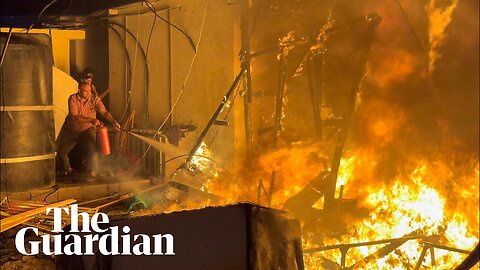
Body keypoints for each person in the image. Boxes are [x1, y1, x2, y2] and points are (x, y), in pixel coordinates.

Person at [57, 82, 121, 181]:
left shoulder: (94, 99)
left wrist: (114, 122)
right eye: (86, 92)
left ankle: (92, 174)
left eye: (90, 91)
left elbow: (104, 112)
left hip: (88, 129)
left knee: (92, 150)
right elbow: (74, 117)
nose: (89, 94)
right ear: (79, 91)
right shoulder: (73, 98)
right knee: (61, 153)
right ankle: (68, 171)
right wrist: (91, 120)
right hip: (73, 130)